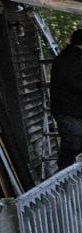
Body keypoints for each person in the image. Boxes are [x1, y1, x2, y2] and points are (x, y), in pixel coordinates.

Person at [50, 26, 82, 170]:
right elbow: (75, 84)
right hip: (68, 111)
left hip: (74, 110)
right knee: (73, 144)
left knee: (74, 144)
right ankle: (63, 177)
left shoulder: (74, 57)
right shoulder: (68, 59)